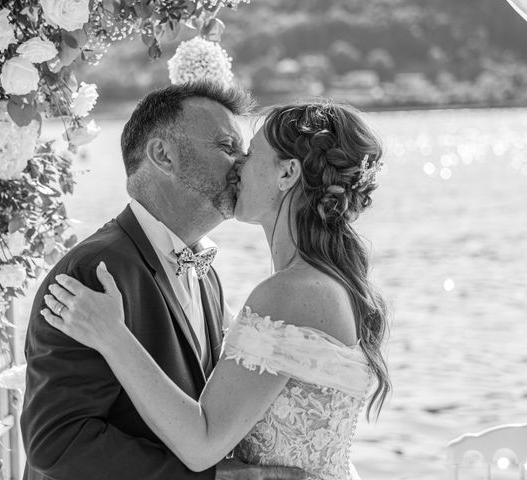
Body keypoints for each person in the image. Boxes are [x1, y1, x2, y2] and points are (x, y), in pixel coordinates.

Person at [42, 101, 392, 479]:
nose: (239, 164)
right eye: (230, 149)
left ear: (288, 173)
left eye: (250, 152)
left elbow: (201, 442)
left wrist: (112, 336)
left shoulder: (290, 292)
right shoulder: (319, 282)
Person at [20, 81, 304, 480]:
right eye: (227, 147)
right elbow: (58, 442)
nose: (242, 164)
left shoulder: (207, 274)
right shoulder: (92, 272)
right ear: (162, 155)